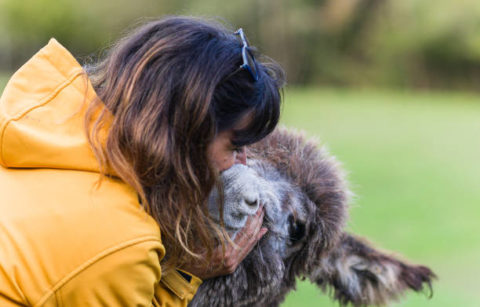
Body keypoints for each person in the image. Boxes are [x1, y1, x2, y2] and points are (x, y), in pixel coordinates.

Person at [0, 16, 284, 306]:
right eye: (235, 146)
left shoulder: (41, 135)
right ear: (186, 132)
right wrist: (183, 276)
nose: (244, 162)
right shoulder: (121, 244)